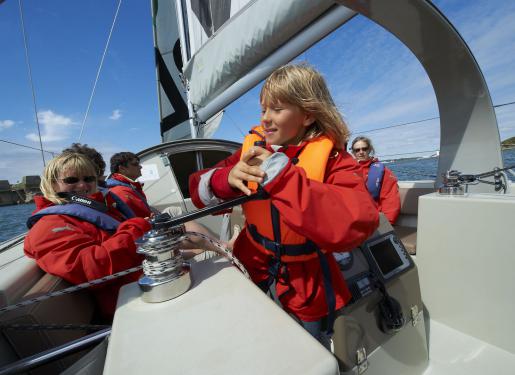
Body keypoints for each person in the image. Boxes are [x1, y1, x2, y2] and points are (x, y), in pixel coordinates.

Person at [189, 63, 379, 347]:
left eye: (276, 109)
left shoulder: (334, 160)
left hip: (306, 281)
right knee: (253, 337)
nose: (265, 119)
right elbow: (197, 190)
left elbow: (359, 222)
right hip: (251, 263)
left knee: (307, 346)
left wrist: (281, 175)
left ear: (307, 115)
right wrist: (225, 178)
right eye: (263, 109)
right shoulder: (251, 150)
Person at [24, 153, 151, 320]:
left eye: (89, 179)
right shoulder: (48, 226)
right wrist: (137, 227)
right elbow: (94, 270)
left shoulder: (98, 208)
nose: (83, 185)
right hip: (128, 303)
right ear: (53, 184)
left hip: (143, 277)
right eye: (71, 180)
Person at [350, 136, 401, 224]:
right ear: (353, 153)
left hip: (372, 219)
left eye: (364, 149)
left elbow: (390, 198)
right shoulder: (347, 170)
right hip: (352, 218)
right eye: (357, 150)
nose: (361, 152)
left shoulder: (382, 171)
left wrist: (387, 223)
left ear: (369, 150)